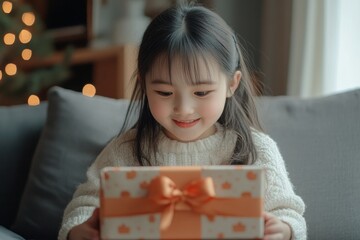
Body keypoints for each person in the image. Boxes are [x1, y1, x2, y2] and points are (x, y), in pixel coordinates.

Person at [58, 3, 306, 240]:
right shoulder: (126, 151)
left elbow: (288, 211)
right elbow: (84, 204)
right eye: (165, 93)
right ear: (144, 85)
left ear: (232, 84)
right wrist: (78, 230)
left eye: (201, 93)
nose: (183, 109)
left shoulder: (257, 149)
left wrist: (284, 229)